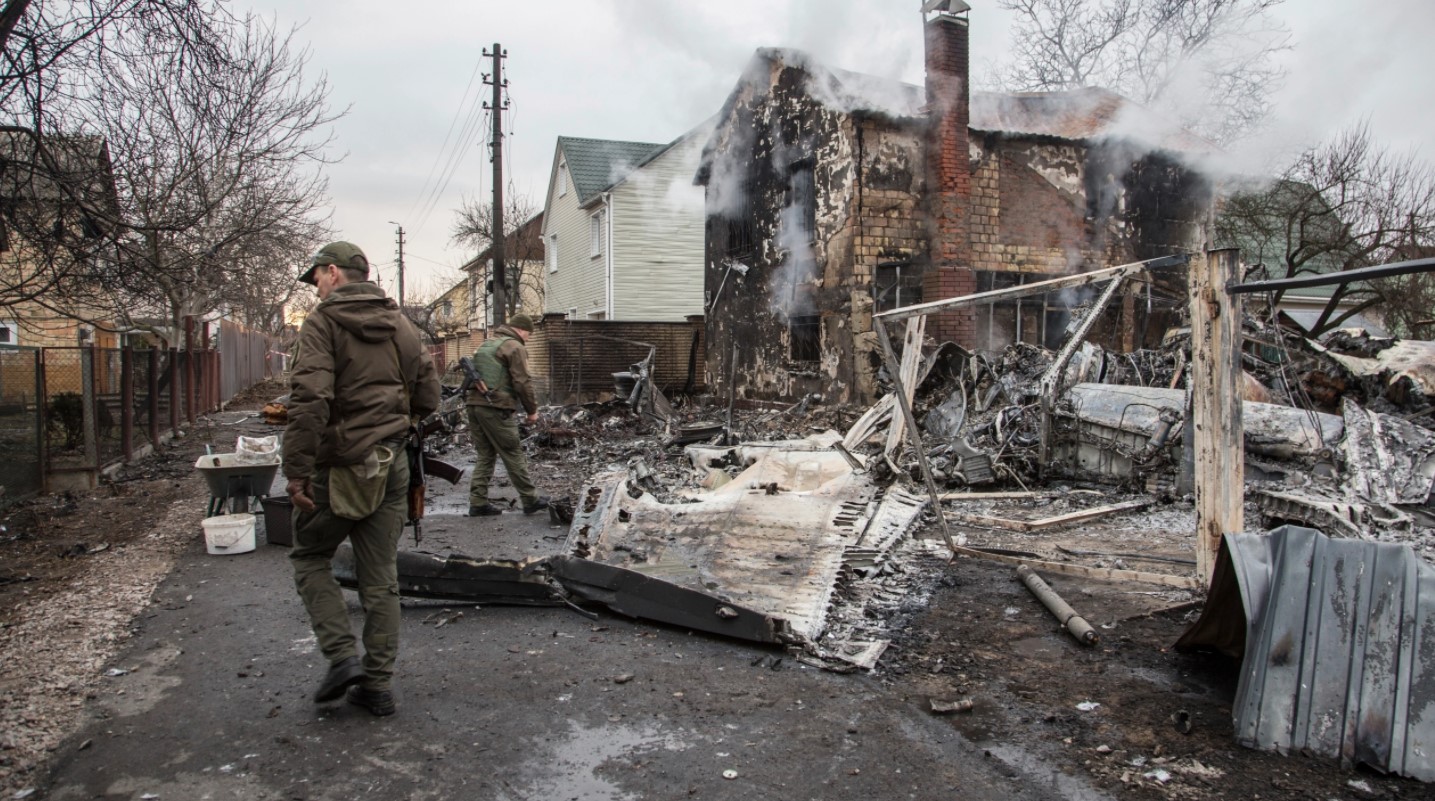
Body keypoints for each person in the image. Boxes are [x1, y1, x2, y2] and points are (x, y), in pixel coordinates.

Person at [283, 241, 440, 717]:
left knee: (310, 557)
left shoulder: (322, 323)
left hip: (339, 466)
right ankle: (377, 686)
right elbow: (429, 394)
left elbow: (310, 399)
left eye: (316, 278)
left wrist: (296, 470)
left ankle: (341, 657)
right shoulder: (401, 324)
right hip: (391, 463)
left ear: (333, 272)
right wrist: (398, 423)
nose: (315, 287)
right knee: (381, 576)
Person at [464, 313, 549, 517]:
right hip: (496, 406)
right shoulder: (514, 346)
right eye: (528, 334)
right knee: (512, 452)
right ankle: (530, 499)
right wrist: (532, 411)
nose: (528, 338)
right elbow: (522, 382)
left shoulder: (488, 344)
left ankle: (478, 502)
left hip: (474, 404)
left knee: (485, 454)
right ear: (521, 329)